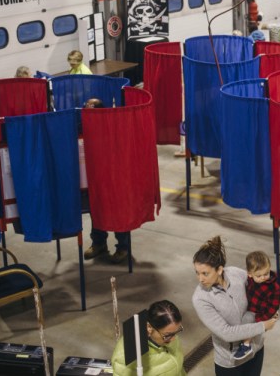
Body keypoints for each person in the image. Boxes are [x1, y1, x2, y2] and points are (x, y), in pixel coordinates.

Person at [192, 236, 277, 375]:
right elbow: (227, 333)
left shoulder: (236, 274)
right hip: (231, 364)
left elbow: (261, 288)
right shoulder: (201, 298)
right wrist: (263, 326)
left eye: (205, 273)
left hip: (256, 350)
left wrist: (270, 310)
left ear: (219, 270)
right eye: (197, 272)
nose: (200, 278)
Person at [82, 98, 131, 264]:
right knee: (96, 210)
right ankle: (99, 243)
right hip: (95, 179)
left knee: (118, 212)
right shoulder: (84, 133)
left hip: (115, 178)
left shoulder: (113, 130)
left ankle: (123, 247)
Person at [111, 299, 186, 376]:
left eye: (176, 332)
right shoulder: (125, 359)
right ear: (149, 327)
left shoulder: (170, 334)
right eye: (168, 335)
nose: (173, 339)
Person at [233, 251, 280, 361]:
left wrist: (260, 319)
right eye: (259, 276)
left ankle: (246, 345)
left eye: (266, 273)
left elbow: (273, 308)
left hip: (261, 313)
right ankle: (242, 337)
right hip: (250, 307)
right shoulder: (250, 280)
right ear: (249, 274)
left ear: (269, 268)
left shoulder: (275, 289)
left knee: (247, 319)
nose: (263, 278)